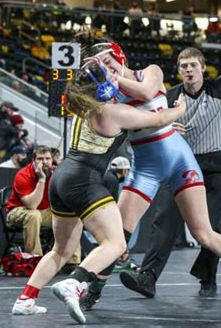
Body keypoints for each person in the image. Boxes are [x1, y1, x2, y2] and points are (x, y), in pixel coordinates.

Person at [83, 1, 221, 312]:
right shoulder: (116, 93)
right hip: (147, 166)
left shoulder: (151, 73)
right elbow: (109, 128)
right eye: (184, 66)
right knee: (119, 236)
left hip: (190, 161)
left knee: (205, 231)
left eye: (109, 63)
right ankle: (97, 290)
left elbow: (144, 92)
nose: (107, 71)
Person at [10, 57, 186, 324]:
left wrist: (98, 69)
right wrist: (180, 109)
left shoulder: (82, 106)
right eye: (108, 78)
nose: (114, 81)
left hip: (63, 178)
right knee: (116, 243)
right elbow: (159, 117)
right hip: (85, 180)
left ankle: (25, 299)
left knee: (61, 250)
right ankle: (76, 283)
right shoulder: (111, 112)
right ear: (102, 88)